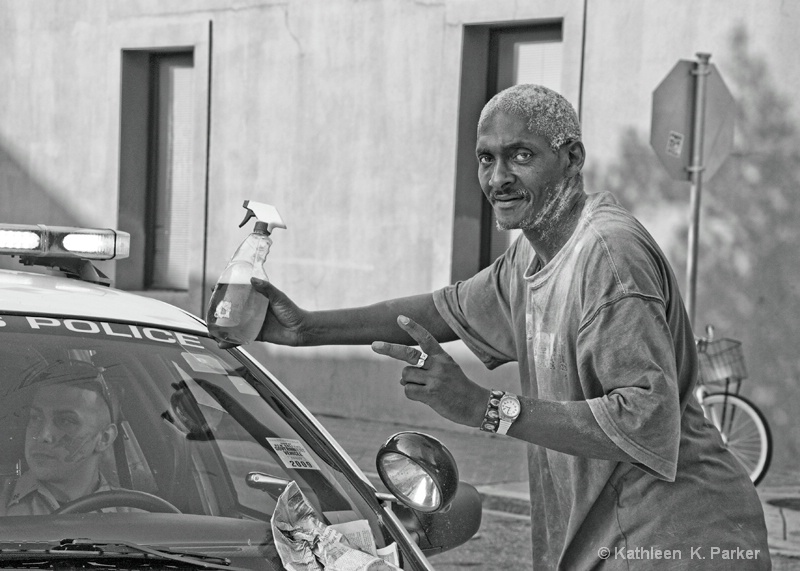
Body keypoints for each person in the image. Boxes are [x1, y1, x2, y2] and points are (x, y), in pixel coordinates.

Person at [235, 84, 770, 568]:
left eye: (521, 156)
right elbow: (439, 311)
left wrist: (485, 408)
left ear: (572, 158)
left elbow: (646, 421)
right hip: (615, 541)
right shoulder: (531, 259)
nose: (498, 178)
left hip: (680, 541)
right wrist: (306, 329)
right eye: (486, 159)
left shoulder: (607, 256)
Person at [1, 360, 119, 515]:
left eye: (66, 421)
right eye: (36, 417)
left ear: (104, 438)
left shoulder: (140, 518)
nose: (44, 436)